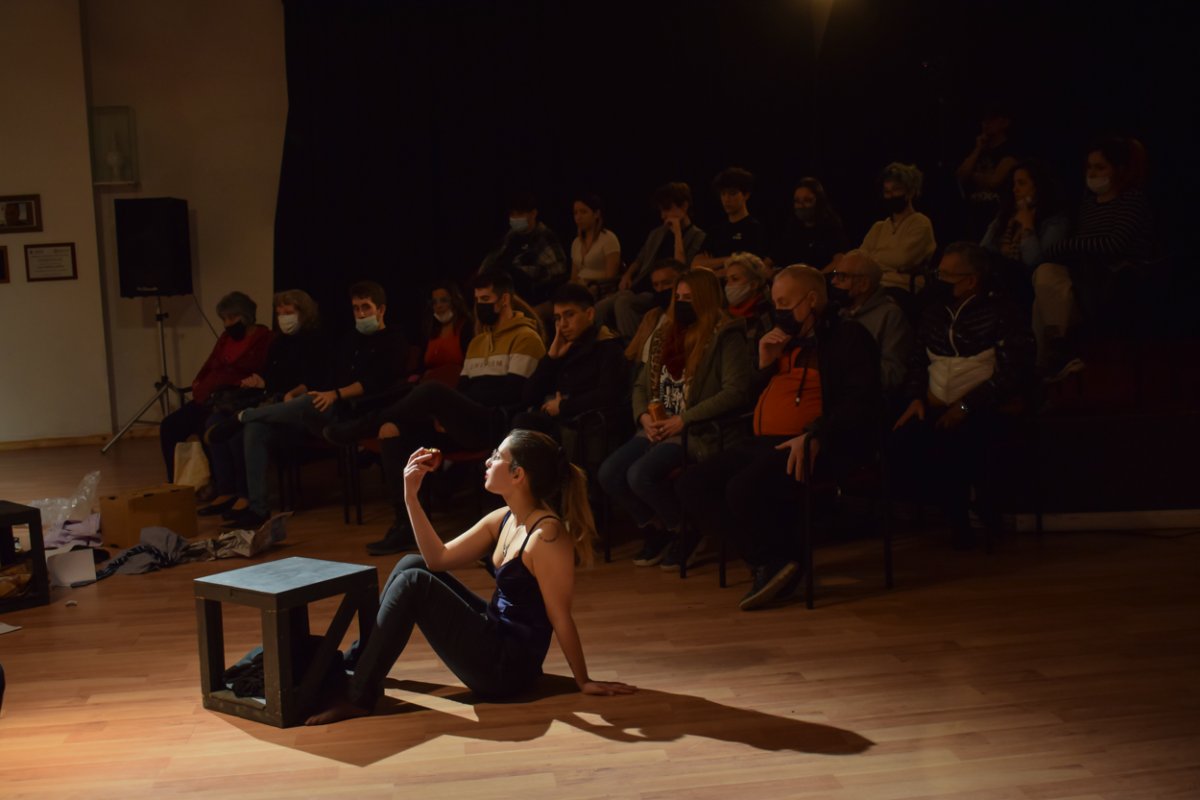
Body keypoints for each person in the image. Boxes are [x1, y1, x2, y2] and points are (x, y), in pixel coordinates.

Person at [305, 429, 637, 725]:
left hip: (506, 670)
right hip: (495, 634)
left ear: (518, 474)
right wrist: (411, 496)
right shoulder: (505, 517)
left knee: (414, 583)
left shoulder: (547, 537)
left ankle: (358, 696)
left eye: (497, 457)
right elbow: (437, 559)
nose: (488, 462)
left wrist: (583, 681)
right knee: (412, 564)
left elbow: (560, 615)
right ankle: (353, 668)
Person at [676, 265, 882, 609]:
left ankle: (778, 562)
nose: (778, 311)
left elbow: (860, 400)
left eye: (785, 303)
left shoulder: (848, 337)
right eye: (774, 303)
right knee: (692, 484)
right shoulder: (783, 339)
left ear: (811, 300)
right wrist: (764, 364)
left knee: (742, 488)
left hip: (820, 443)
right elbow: (750, 396)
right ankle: (770, 561)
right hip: (764, 440)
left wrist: (816, 434)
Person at [326, 271, 547, 556]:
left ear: (504, 300)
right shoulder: (478, 341)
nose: (479, 305)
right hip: (465, 422)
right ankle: (405, 526)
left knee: (432, 391)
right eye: (477, 299)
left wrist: (454, 408)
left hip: (495, 424)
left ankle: (361, 426)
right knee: (392, 431)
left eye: (485, 299)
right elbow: (465, 388)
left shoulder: (526, 337)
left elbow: (512, 393)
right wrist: (448, 414)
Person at [598, 268, 750, 570]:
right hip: (657, 425)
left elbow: (736, 391)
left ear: (705, 299)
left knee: (640, 474)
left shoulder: (726, 335)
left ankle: (685, 530)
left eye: (688, 298)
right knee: (609, 473)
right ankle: (659, 529)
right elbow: (641, 385)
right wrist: (643, 416)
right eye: (677, 297)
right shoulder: (663, 334)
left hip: (696, 430)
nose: (681, 304)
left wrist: (684, 420)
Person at [890, 243, 1035, 550]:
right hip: (934, 403)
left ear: (971, 280)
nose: (939, 280)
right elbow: (917, 361)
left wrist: (966, 406)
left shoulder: (1003, 313)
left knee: (965, 440)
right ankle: (950, 516)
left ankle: (980, 514)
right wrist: (915, 397)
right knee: (905, 438)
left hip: (986, 406)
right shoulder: (933, 314)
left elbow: (1014, 371)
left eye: (947, 275)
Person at [230, 281, 408, 528]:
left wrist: (334, 394)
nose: (360, 314)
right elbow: (331, 376)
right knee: (257, 427)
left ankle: (243, 416)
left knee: (306, 402)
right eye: (355, 308)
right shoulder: (350, 340)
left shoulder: (394, 339)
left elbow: (376, 382)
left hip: (364, 411)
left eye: (366, 307)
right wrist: (324, 392)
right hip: (331, 410)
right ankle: (258, 509)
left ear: (381, 309)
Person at [200, 289, 331, 520]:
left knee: (247, 425)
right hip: (275, 404)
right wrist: (260, 382)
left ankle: (243, 417)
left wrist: (294, 391)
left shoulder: (318, 341)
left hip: (305, 409)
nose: (283, 317)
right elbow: (272, 379)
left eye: (288, 312)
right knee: (248, 427)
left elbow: (319, 381)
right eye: (279, 313)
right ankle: (256, 507)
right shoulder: (278, 343)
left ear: (303, 313)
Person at [1032, 136, 1153, 378]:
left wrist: (1069, 246)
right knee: (1044, 277)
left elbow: (1112, 244)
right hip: (1084, 276)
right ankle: (1055, 353)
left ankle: (1048, 362)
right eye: (1089, 167)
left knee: (1046, 297)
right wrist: (1071, 249)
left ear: (1118, 170)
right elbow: (1075, 248)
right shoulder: (1088, 205)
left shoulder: (1131, 200)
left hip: (1113, 281)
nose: (1092, 173)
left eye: (1100, 167)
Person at [159, 291, 270, 482]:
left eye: (232, 318)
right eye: (224, 319)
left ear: (246, 316)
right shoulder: (225, 338)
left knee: (207, 426)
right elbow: (210, 364)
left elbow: (260, 372)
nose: (227, 323)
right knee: (169, 426)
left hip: (233, 399)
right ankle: (176, 482)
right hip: (208, 397)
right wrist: (199, 383)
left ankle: (218, 483)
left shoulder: (264, 338)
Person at [515, 283, 627, 438]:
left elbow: (609, 394)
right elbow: (528, 397)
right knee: (519, 421)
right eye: (558, 318)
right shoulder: (562, 347)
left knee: (523, 424)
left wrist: (564, 406)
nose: (563, 324)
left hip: (584, 428)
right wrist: (551, 358)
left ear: (589, 314)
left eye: (569, 315)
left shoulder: (608, 347)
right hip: (558, 423)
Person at [596, 182, 706, 339]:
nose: (663, 216)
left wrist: (677, 234)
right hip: (642, 284)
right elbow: (640, 258)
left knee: (623, 303)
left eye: (667, 209)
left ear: (684, 206)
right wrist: (627, 275)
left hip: (664, 290)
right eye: (661, 210)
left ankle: (631, 348)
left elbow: (682, 268)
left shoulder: (697, 236)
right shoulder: (658, 233)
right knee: (600, 307)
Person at [981, 159, 1070, 310]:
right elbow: (984, 248)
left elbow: (1035, 263)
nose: (1015, 190)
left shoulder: (1055, 221)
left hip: (1027, 283)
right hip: (999, 275)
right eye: (1014, 184)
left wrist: (1028, 226)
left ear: (1038, 187)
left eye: (1021, 184)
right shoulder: (1006, 216)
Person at [829, 250, 914, 397]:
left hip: (866, 398)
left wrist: (848, 374)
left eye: (841, 277)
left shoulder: (890, 316)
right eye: (835, 274)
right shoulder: (838, 312)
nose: (833, 282)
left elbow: (894, 374)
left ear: (863, 284)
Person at [859, 162, 937, 294]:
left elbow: (901, 259)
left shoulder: (921, 223)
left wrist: (873, 259)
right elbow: (861, 257)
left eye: (896, 189)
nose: (891, 195)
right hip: (875, 285)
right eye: (887, 191)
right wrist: (888, 266)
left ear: (910, 192)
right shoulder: (879, 227)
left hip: (903, 288)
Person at [479, 192, 567, 307]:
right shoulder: (510, 236)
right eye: (512, 214)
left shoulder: (545, 238)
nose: (515, 218)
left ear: (533, 213)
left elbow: (557, 277)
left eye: (520, 214)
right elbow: (491, 261)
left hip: (530, 300)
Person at [957, 106, 1021, 239]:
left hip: (997, 215)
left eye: (992, 119)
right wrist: (977, 149)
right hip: (973, 215)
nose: (986, 124)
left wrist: (972, 175)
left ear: (1005, 122)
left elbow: (994, 181)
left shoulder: (1011, 151)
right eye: (984, 120)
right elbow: (960, 177)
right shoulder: (978, 151)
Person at [692, 167, 768, 273]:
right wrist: (731, 259)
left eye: (732, 193)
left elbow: (748, 267)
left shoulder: (754, 228)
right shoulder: (716, 231)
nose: (726, 199)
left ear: (746, 195)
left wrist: (714, 266)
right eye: (723, 194)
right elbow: (696, 264)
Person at [768, 177, 848, 272]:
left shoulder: (831, 227)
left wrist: (816, 277)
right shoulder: (792, 227)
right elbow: (773, 257)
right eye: (797, 201)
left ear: (819, 201)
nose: (801, 206)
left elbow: (839, 260)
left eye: (807, 200)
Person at [624, 258, 685, 369]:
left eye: (666, 283)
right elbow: (631, 352)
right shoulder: (652, 315)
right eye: (656, 285)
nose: (660, 289)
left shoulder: (687, 317)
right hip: (641, 371)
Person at [722, 252, 774, 369]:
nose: (728, 286)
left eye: (735, 279)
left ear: (754, 284)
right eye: (727, 280)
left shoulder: (766, 315)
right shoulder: (724, 315)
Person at [417, 282, 474, 387]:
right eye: (434, 303)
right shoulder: (430, 331)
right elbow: (421, 367)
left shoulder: (466, 328)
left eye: (444, 301)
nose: (438, 306)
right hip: (430, 386)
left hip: (458, 386)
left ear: (455, 302)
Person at [568, 194, 621, 299]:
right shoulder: (576, 243)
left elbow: (610, 279)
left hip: (599, 291)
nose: (578, 217)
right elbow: (574, 276)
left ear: (596, 214)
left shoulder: (608, 239)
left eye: (583, 212)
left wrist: (593, 289)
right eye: (575, 213)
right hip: (578, 290)